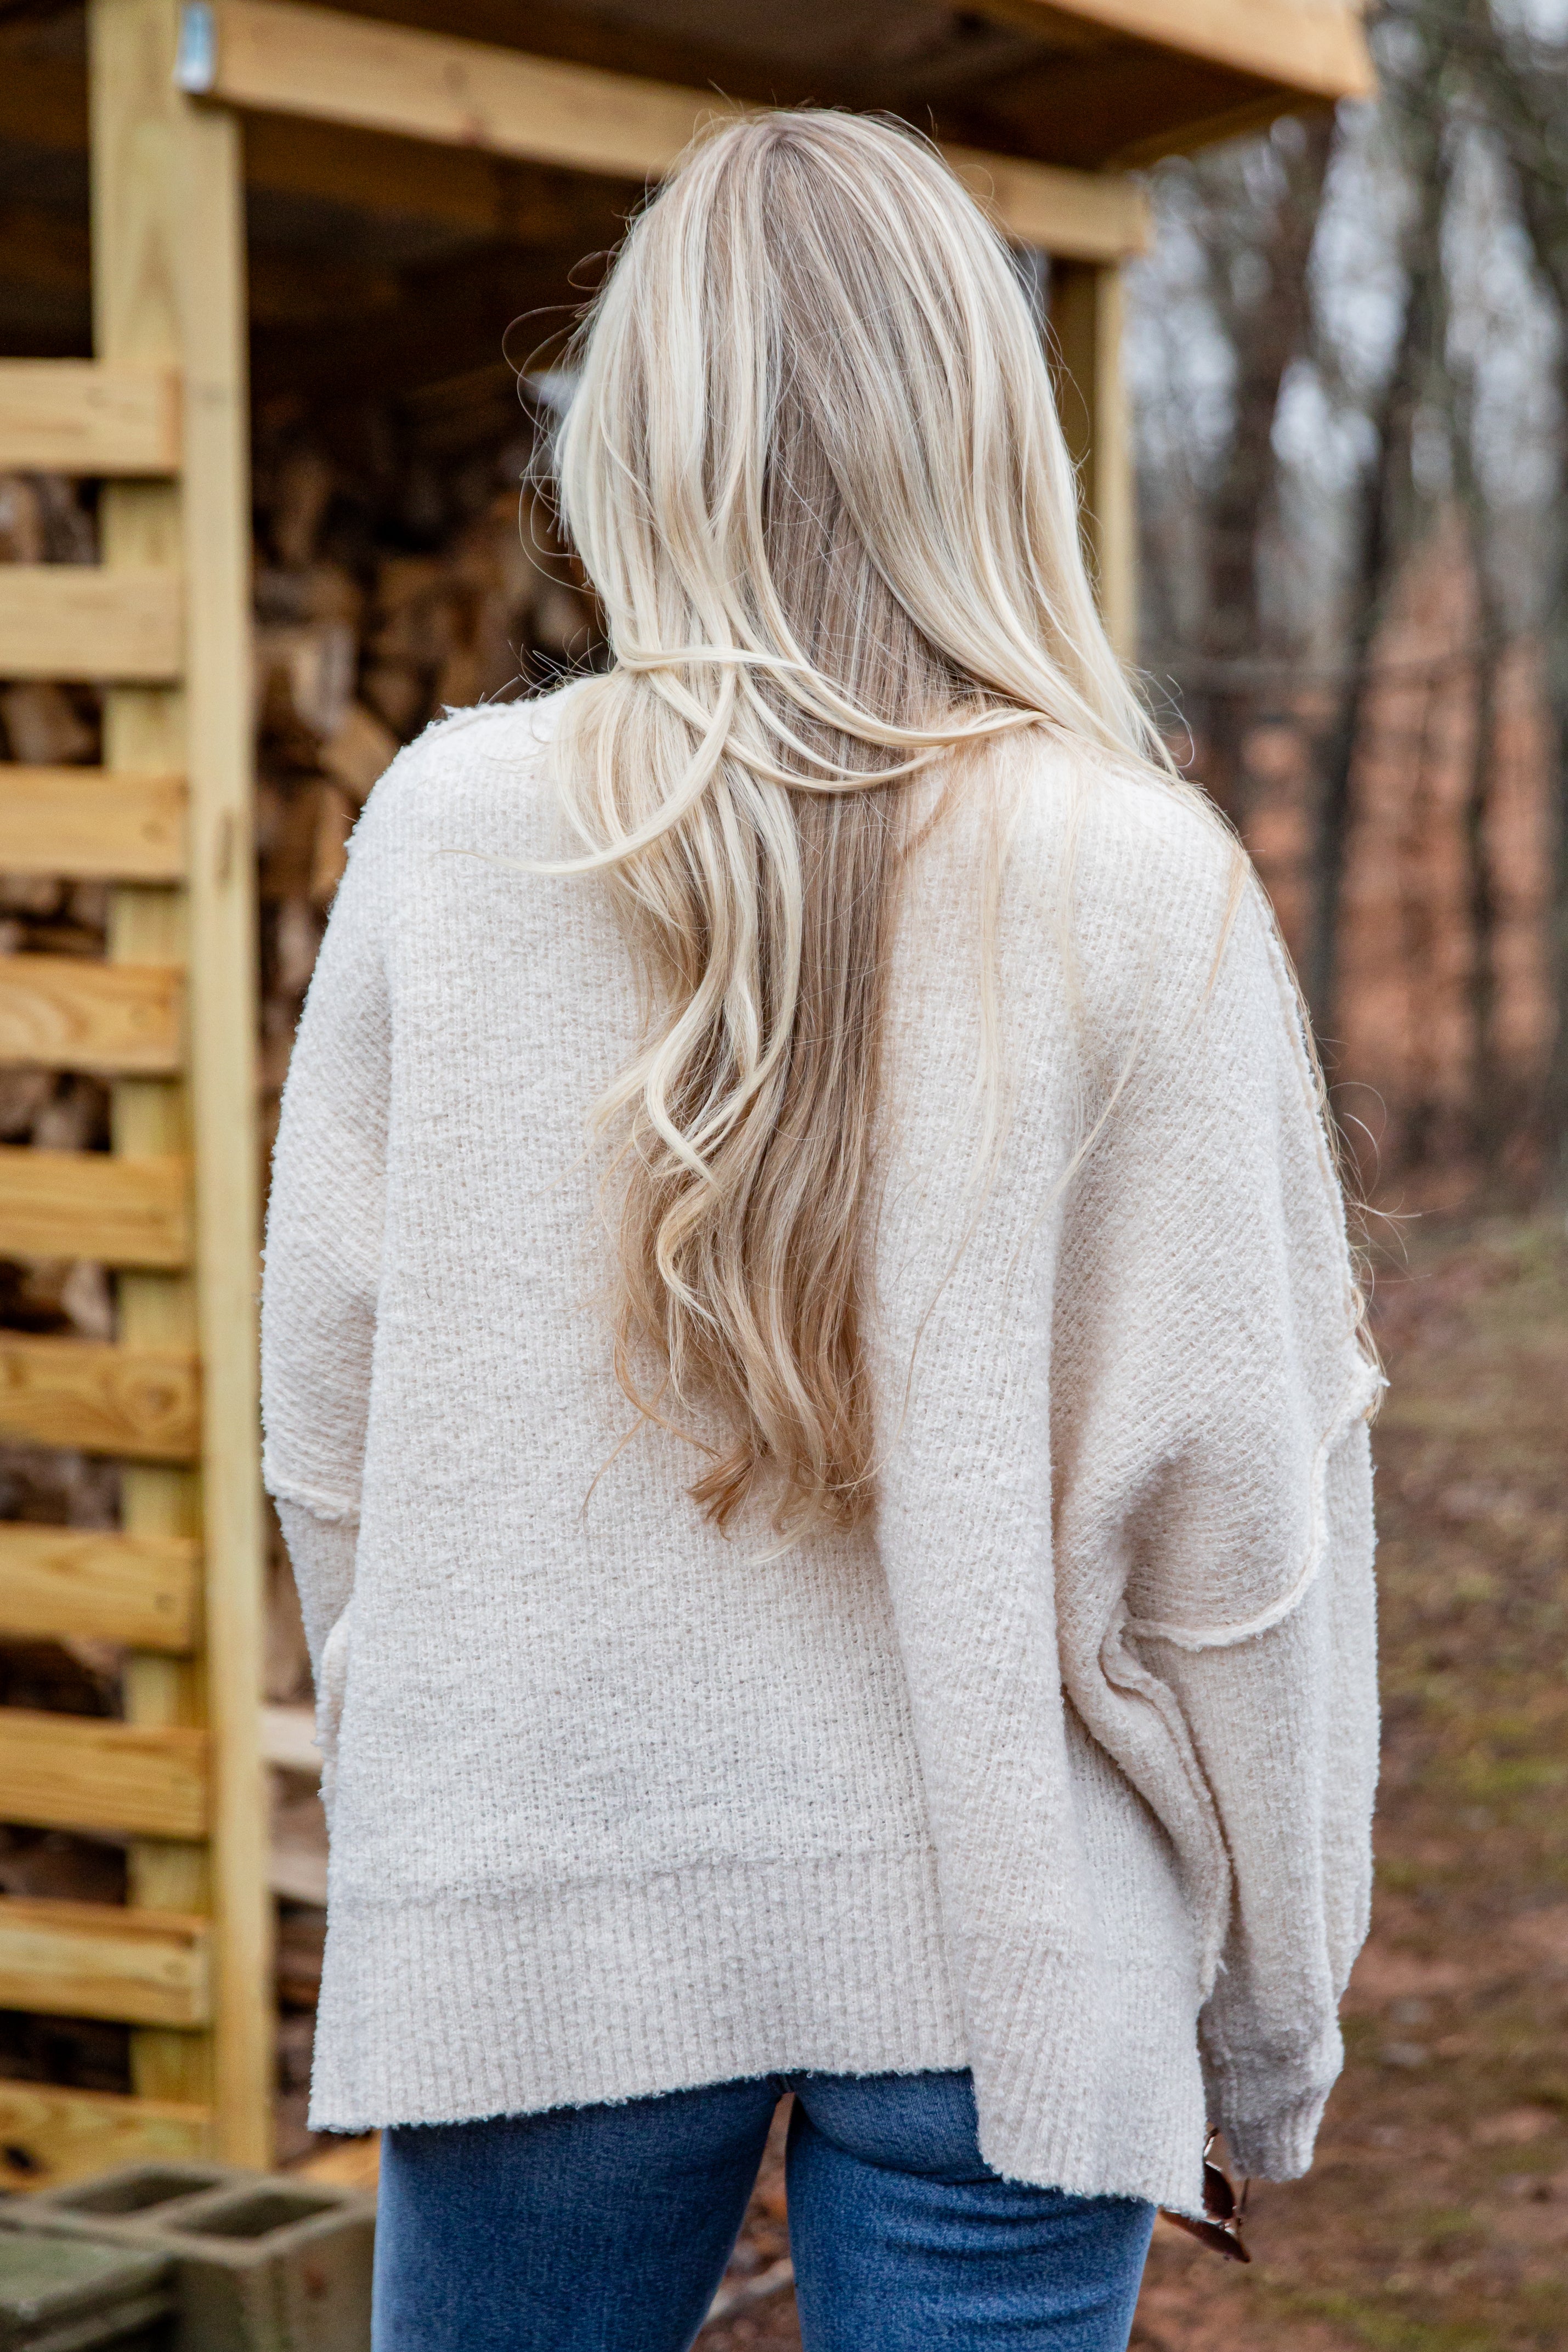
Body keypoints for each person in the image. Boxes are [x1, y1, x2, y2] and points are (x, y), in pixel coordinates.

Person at [262, 110, 1380, 2352]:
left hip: (532, 1898)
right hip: (1011, 1934)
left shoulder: (451, 836)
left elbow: (334, 1446)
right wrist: (1271, 2033)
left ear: (641, 434)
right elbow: (1243, 1534)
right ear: (988, 423)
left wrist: (457, 1801)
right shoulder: (1135, 880)